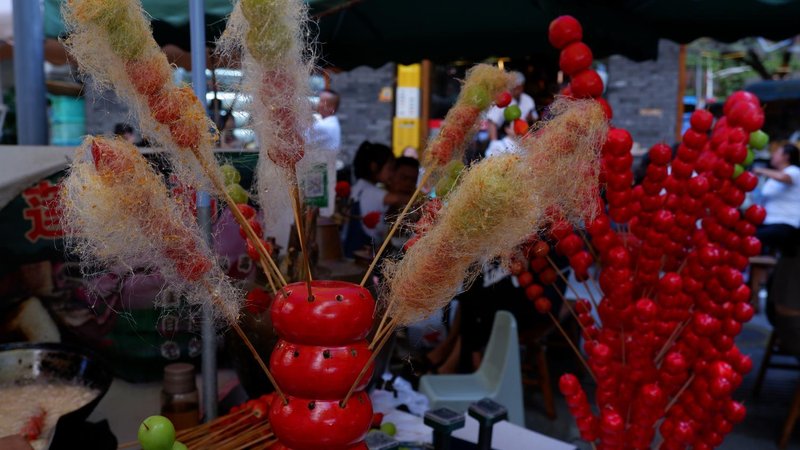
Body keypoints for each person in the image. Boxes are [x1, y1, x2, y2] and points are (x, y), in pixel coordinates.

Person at [342, 142, 410, 258]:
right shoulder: (371, 192)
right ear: (374, 166)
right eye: (390, 168)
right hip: (361, 254)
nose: (392, 174)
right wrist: (419, 197)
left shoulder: (358, 187)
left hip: (348, 251)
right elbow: (397, 199)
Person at [754, 143, 800, 255]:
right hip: (768, 223)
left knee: (752, 239)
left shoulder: (794, 171)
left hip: (784, 225)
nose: (773, 155)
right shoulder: (773, 177)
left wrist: (761, 171)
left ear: (786, 156)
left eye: (777, 152)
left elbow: (784, 177)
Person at [486, 71, 537, 142]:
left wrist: (530, 118)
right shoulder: (503, 99)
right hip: (507, 139)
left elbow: (535, 119)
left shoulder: (528, 99)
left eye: (518, 87)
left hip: (525, 137)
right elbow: (492, 121)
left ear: (522, 86)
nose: (516, 90)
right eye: (514, 87)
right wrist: (494, 142)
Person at [309, 89, 342, 156]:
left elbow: (301, 139)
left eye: (321, 101)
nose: (317, 103)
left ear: (331, 108)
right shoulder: (332, 121)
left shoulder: (324, 126)